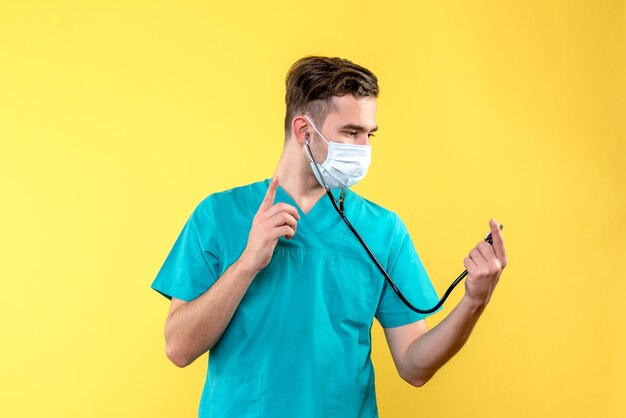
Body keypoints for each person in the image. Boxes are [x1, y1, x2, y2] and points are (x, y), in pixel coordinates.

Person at [150, 56, 508, 418]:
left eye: (370, 134)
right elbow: (179, 348)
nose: (364, 148)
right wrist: (247, 263)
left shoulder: (383, 230)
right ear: (305, 131)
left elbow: (415, 367)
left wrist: (474, 301)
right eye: (351, 132)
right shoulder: (219, 215)